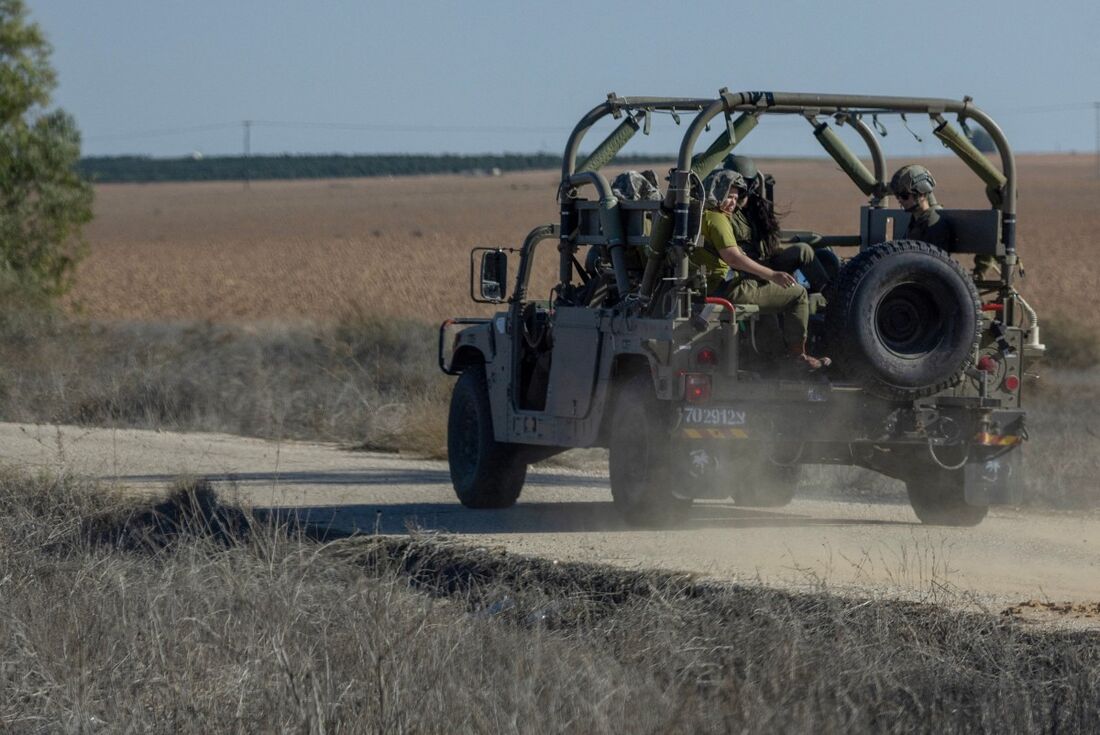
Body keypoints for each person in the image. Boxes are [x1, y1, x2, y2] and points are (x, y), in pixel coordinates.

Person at [692, 169, 829, 371]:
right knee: (798, 294)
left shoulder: (700, 215)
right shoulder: (718, 219)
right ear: (717, 192)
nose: (731, 202)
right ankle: (797, 357)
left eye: (735, 198)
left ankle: (771, 355)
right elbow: (733, 258)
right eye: (728, 196)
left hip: (713, 287)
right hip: (730, 289)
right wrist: (772, 275)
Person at [722, 154, 833, 292]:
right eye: (738, 183)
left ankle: (829, 295)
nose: (742, 188)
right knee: (797, 292)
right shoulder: (724, 209)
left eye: (745, 183)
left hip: (765, 262)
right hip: (747, 270)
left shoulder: (755, 208)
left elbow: (770, 240)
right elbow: (732, 256)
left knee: (805, 251)